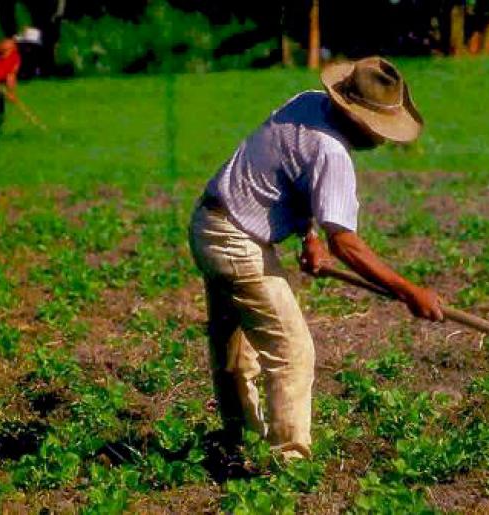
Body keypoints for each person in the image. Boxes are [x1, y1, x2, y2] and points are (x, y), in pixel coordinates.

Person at [188, 57, 445, 463]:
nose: (381, 140)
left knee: (236, 348)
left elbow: (289, 168)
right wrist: (409, 291)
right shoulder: (332, 152)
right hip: (237, 242)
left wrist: (309, 236)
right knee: (292, 350)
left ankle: (238, 442)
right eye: (379, 130)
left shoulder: (307, 103)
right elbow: (346, 244)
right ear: (357, 118)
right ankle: (289, 462)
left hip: (209, 221)